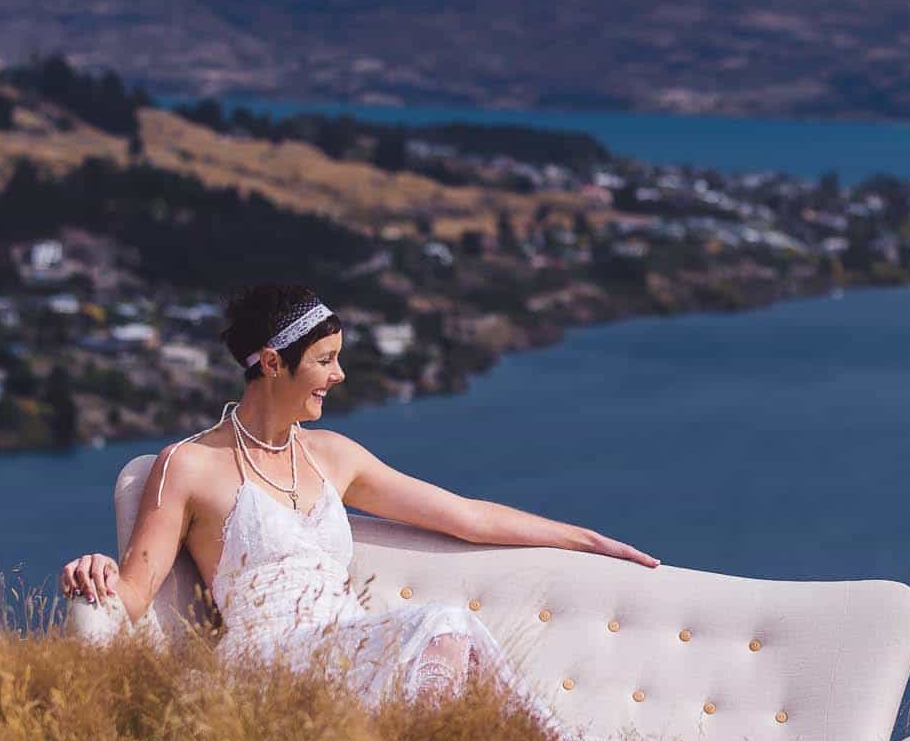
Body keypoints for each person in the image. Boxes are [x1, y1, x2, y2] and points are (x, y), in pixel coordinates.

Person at [59, 282, 658, 704]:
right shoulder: (187, 465)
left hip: (346, 647)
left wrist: (586, 539)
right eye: (325, 360)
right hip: (265, 663)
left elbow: (465, 517)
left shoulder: (334, 456)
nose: (339, 376)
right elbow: (134, 593)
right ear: (272, 363)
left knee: (448, 641)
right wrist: (98, 570)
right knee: (444, 622)